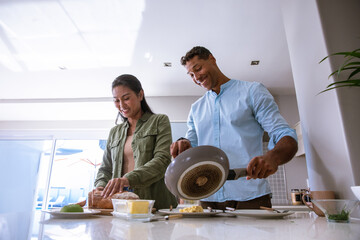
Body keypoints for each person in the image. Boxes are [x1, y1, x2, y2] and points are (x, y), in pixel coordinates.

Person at [170, 46, 298, 210]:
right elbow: (191, 145)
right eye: (191, 75)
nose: (196, 77)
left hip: (251, 198)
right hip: (208, 200)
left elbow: (285, 134)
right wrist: (183, 143)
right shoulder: (196, 109)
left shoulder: (252, 92)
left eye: (198, 68)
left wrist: (273, 156)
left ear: (212, 59)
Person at [94, 74, 178, 210]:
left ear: (140, 95)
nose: (121, 105)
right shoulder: (114, 132)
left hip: (156, 205)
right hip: (122, 206)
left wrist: (128, 179)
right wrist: (101, 186)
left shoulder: (159, 121)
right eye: (116, 100)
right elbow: (106, 168)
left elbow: (162, 160)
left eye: (126, 98)